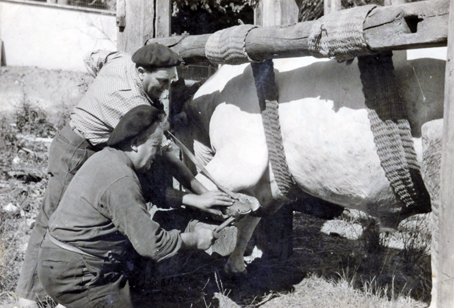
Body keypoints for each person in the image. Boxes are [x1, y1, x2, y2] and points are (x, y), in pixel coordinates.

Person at [17, 44, 232, 308]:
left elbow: (95, 55)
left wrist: (197, 200)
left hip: (99, 150)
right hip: (77, 148)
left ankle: (69, 292)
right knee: (51, 222)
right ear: (141, 72)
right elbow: (166, 155)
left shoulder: (122, 61)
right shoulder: (132, 103)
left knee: (90, 221)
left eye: (170, 82)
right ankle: (28, 300)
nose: (166, 91)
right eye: (162, 83)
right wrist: (200, 193)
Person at [38, 105, 218, 308]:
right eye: (155, 146)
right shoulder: (122, 179)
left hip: (62, 262)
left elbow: (151, 192)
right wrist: (196, 239)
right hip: (78, 275)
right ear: (135, 144)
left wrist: (198, 199)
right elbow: (153, 245)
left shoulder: (108, 158)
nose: (158, 153)